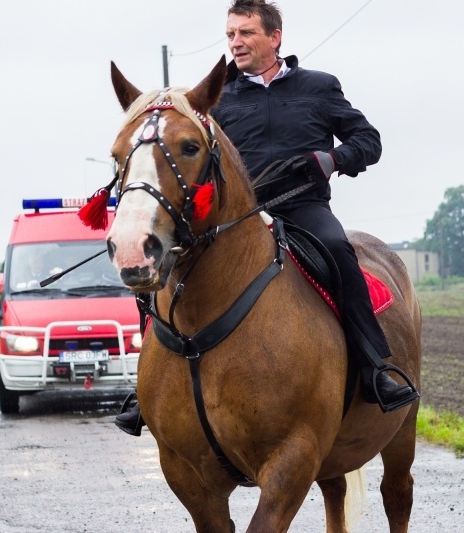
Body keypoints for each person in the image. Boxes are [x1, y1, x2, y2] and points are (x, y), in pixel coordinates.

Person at [115, 0, 418, 436]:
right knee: (164, 266)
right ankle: (148, 389)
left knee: (337, 250)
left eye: (245, 33)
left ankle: (375, 367)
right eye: (230, 35)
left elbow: (367, 140)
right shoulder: (218, 99)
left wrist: (330, 160)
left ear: (274, 38)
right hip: (239, 217)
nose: (235, 42)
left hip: (304, 207)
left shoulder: (319, 87)